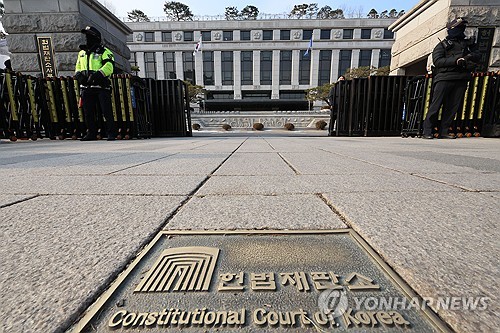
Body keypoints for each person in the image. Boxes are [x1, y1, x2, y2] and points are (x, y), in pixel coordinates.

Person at [422, 18, 480, 139]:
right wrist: (455, 60)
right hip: (444, 78)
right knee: (436, 106)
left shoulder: (468, 44)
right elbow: (437, 61)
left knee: (453, 107)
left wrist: (468, 57)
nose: (461, 30)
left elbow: (478, 55)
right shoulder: (442, 45)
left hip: (461, 78)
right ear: (452, 29)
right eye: (459, 28)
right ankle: (427, 131)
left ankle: (444, 131)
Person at [75, 26, 116, 141]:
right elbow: (78, 66)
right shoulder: (82, 53)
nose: (87, 39)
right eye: (86, 36)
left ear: (95, 38)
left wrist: (97, 75)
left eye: (89, 36)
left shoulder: (104, 52)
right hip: (86, 87)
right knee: (88, 112)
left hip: (101, 86)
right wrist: (79, 76)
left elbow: (109, 67)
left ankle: (111, 133)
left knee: (106, 111)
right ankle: (91, 133)